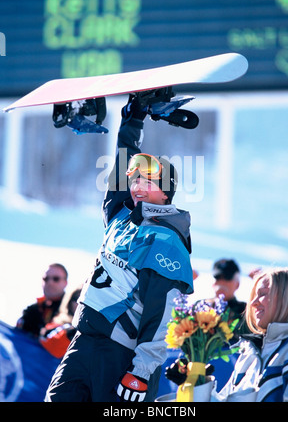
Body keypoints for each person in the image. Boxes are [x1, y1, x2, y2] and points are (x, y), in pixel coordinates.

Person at [45, 92, 194, 402]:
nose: (137, 186)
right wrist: (133, 118)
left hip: (121, 355)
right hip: (83, 342)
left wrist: (141, 370)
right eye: (135, 179)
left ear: (166, 193)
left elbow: (163, 314)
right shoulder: (120, 216)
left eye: (148, 181)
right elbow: (122, 161)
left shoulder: (167, 241)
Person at [213, 267, 288, 402]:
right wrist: (199, 381)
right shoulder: (249, 353)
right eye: (254, 296)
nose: (253, 303)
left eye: (263, 294)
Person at [16, 263, 68, 338]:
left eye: (56, 279)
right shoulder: (31, 311)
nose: (50, 282)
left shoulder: (73, 310)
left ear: (65, 283)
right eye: (46, 279)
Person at [39, 286, 82, 359]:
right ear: (69, 301)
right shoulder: (57, 326)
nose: (81, 304)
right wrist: (73, 332)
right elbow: (51, 346)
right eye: (78, 299)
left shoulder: (101, 329)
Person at [211, 258, 248, 338]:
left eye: (227, 278)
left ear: (237, 284)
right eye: (218, 278)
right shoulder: (200, 306)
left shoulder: (246, 311)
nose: (221, 282)